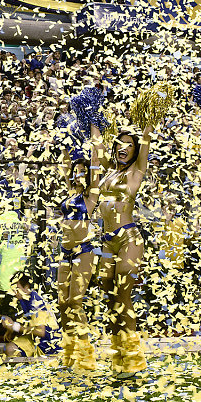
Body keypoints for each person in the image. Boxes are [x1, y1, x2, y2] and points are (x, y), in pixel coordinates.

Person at [96, 126, 153, 380]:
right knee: (110, 299)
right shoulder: (109, 170)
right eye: (120, 143)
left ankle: (133, 361)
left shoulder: (136, 171)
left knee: (123, 295)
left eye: (130, 144)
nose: (123, 148)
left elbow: (146, 143)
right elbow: (98, 147)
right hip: (107, 241)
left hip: (128, 238)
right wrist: (93, 119)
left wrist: (148, 122)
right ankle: (118, 357)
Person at [56, 124, 101, 371]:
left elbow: (95, 165)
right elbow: (64, 162)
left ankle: (86, 356)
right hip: (64, 253)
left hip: (84, 251)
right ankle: (69, 354)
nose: (78, 174)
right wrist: (66, 131)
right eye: (76, 171)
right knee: (63, 304)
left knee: (75, 302)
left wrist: (94, 133)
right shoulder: (70, 191)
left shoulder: (90, 196)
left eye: (83, 171)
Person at [1, 272, 60, 359]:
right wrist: (10, 328)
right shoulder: (24, 299)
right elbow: (28, 324)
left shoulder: (36, 302)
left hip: (48, 346)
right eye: (13, 289)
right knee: (8, 348)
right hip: (35, 340)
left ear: (26, 287)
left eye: (17, 288)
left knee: (10, 349)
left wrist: (15, 327)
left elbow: (41, 331)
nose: (14, 292)